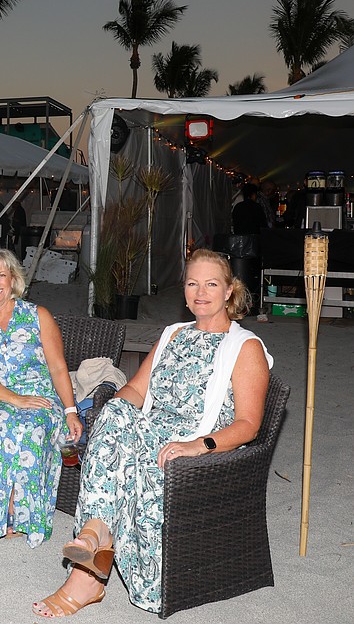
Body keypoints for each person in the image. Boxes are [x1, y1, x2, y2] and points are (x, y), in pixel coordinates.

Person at [32, 249, 272, 617]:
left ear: (229, 291)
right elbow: (137, 390)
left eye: (211, 284)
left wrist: (198, 445)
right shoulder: (173, 333)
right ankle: (96, 534)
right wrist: (113, 411)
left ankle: (89, 573)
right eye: (193, 283)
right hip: (151, 430)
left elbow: (248, 425)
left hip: (197, 440)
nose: (200, 292)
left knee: (128, 459)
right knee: (114, 413)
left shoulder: (245, 347)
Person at [0, 249, 83, 555]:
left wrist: (70, 411)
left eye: (2, 274)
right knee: (0, 424)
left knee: (31, 428)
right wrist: (15, 399)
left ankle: (17, 513)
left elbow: (57, 367)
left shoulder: (38, 315)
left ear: (13, 279)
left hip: (40, 396)